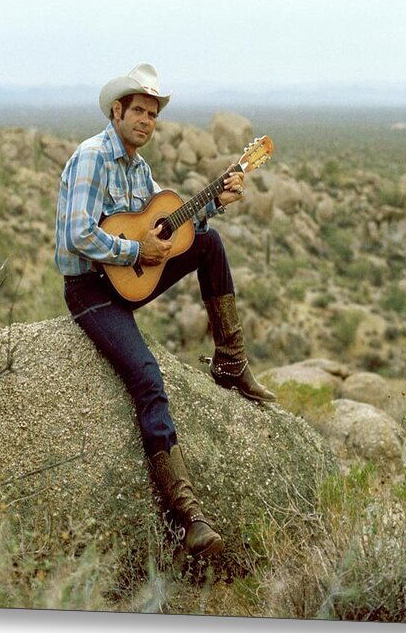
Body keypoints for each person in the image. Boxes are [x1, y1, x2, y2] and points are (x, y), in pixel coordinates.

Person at [55, 62, 276, 560]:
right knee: (149, 380)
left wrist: (213, 201)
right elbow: (77, 234)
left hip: (132, 281)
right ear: (117, 111)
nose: (146, 121)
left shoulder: (138, 169)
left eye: (152, 114)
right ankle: (188, 518)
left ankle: (231, 362)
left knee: (208, 241)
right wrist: (138, 254)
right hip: (90, 290)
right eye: (138, 111)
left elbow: (166, 227)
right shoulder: (93, 157)